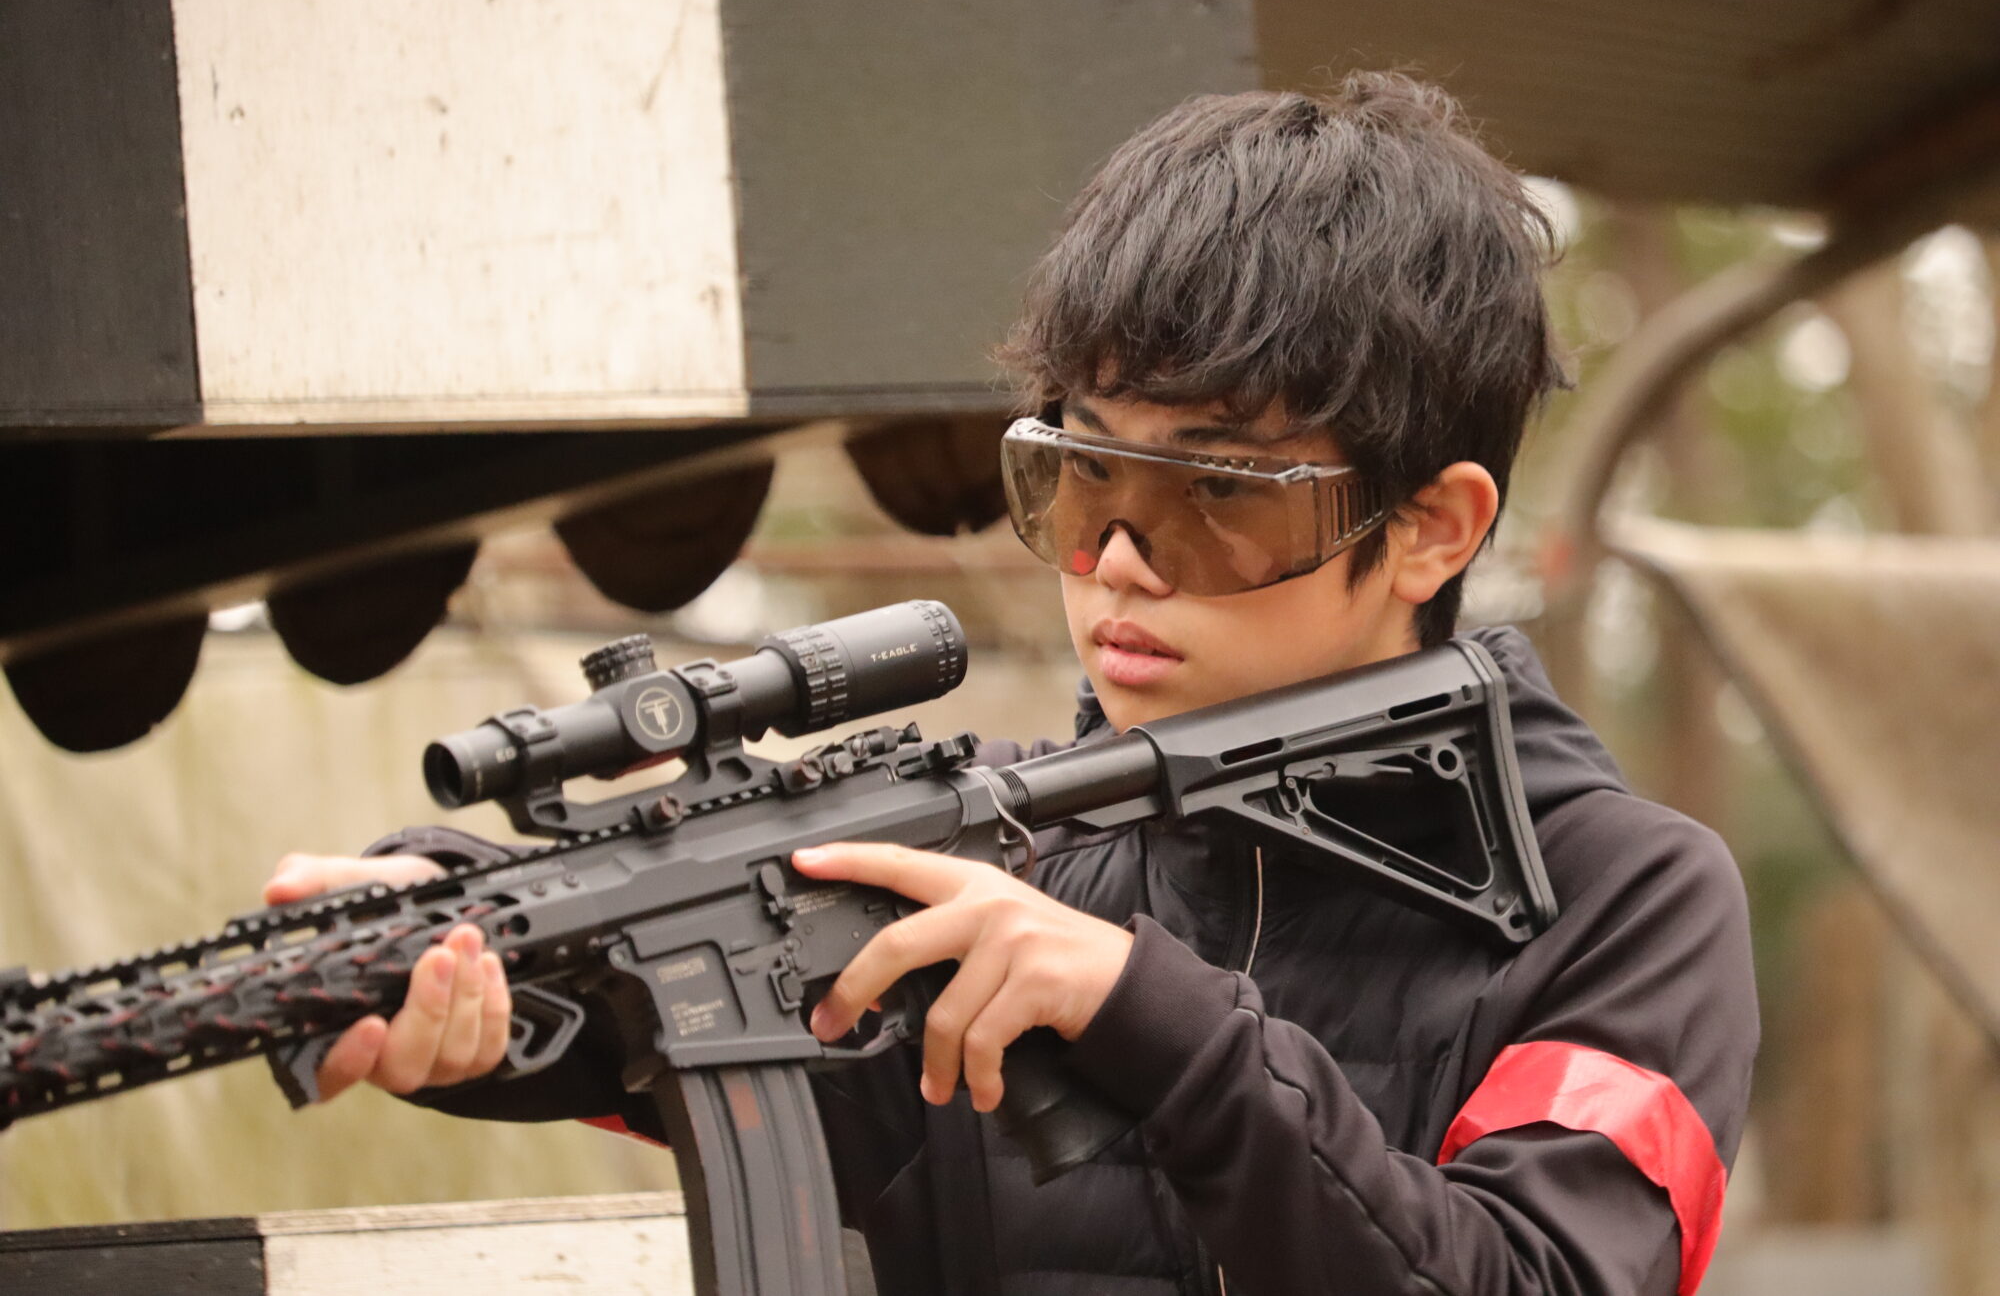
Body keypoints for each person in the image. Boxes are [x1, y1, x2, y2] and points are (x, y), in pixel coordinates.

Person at [264, 74, 1758, 1295]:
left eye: (1214, 497)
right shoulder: (1009, 854)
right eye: (1083, 477)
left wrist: (1152, 1018)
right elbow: (695, 1032)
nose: (1118, 565)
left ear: (1431, 528)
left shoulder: (1623, 897)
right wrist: (450, 945)